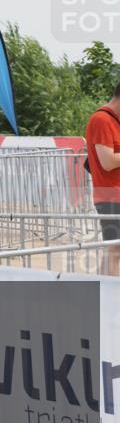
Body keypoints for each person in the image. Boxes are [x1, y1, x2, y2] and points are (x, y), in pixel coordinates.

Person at [85, 80, 120, 276]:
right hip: (111, 197)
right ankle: (111, 299)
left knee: (114, 251)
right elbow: (107, 161)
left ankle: (102, 294)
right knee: (115, 250)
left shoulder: (113, 120)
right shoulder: (102, 120)